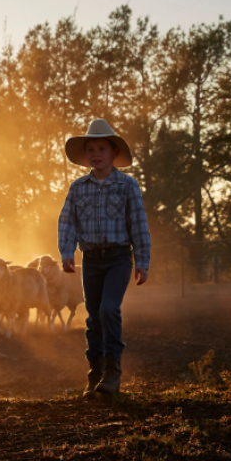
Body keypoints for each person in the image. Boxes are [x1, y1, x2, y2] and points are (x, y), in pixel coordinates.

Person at [57, 119, 151, 398]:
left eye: (101, 148)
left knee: (109, 309)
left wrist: (142, 261)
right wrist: (66, 251)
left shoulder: (127, 186)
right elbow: (67, 221)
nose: (95, 154)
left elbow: (138, 224)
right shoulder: (78, 188)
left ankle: (113, 372)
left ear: (113, 152)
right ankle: (94, 372)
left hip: (119, 258)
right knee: (93, 317)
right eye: (90, 149)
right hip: (91, 260)